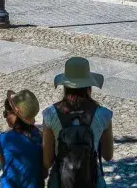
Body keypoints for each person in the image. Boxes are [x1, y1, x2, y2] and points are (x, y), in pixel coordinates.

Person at [42, 57, 113, 188]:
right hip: (92, 181)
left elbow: (47, 162)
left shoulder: (50, 114)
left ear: (65, 85)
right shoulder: (103, 114)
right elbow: (108, 155)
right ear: (89, 86)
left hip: (61, 182)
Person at [0, 89, 44, 188]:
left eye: (7, 113)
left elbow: (3, 162)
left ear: (16, 115)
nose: (5, 116)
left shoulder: (5, 139)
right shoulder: (41, 138)